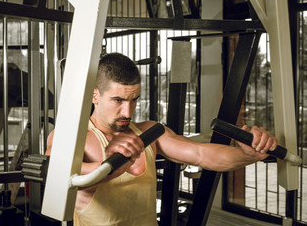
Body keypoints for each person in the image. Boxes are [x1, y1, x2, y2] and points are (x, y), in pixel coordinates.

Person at [45, 53, 278, 226]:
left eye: (134, 100)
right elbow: (64, 178)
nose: (128, 112)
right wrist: (112, 163)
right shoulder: (71, 138)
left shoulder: (148, 133)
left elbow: (202, 154)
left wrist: (247, 154)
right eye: (118, 100)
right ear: (95, 95)